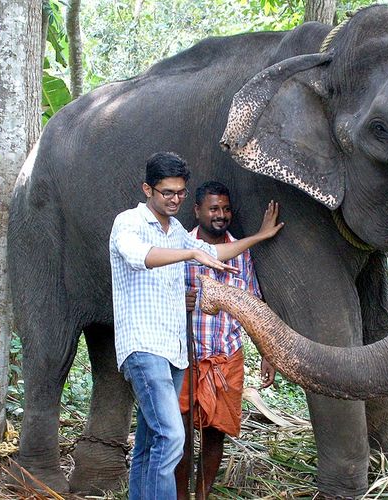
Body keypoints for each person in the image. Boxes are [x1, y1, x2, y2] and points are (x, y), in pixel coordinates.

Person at [109, 152, 283, 500]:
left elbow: (215, 253)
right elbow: (140, 256)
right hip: (144, 347)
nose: (174, 199)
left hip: (174, 352)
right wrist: (190, 254)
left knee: (149, 441)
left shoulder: (175, 231)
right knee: (173, 435)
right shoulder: (128, 223)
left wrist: (259, 237)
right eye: (166, 192)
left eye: (179, 193)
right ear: (147, 189)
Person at [175, 181, 276, 500]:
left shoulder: (240, 253)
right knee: (181, 435)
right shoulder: (179, 247)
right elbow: (156, 293)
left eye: (226, 209)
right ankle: (180, 495)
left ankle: (202, 494)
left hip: (226, 357)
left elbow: (254, 303)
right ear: (197, 211)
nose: (221, 215)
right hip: (186, 356)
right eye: (214, 209)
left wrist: (267, 352)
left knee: (215, 432)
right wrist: (180, 300)